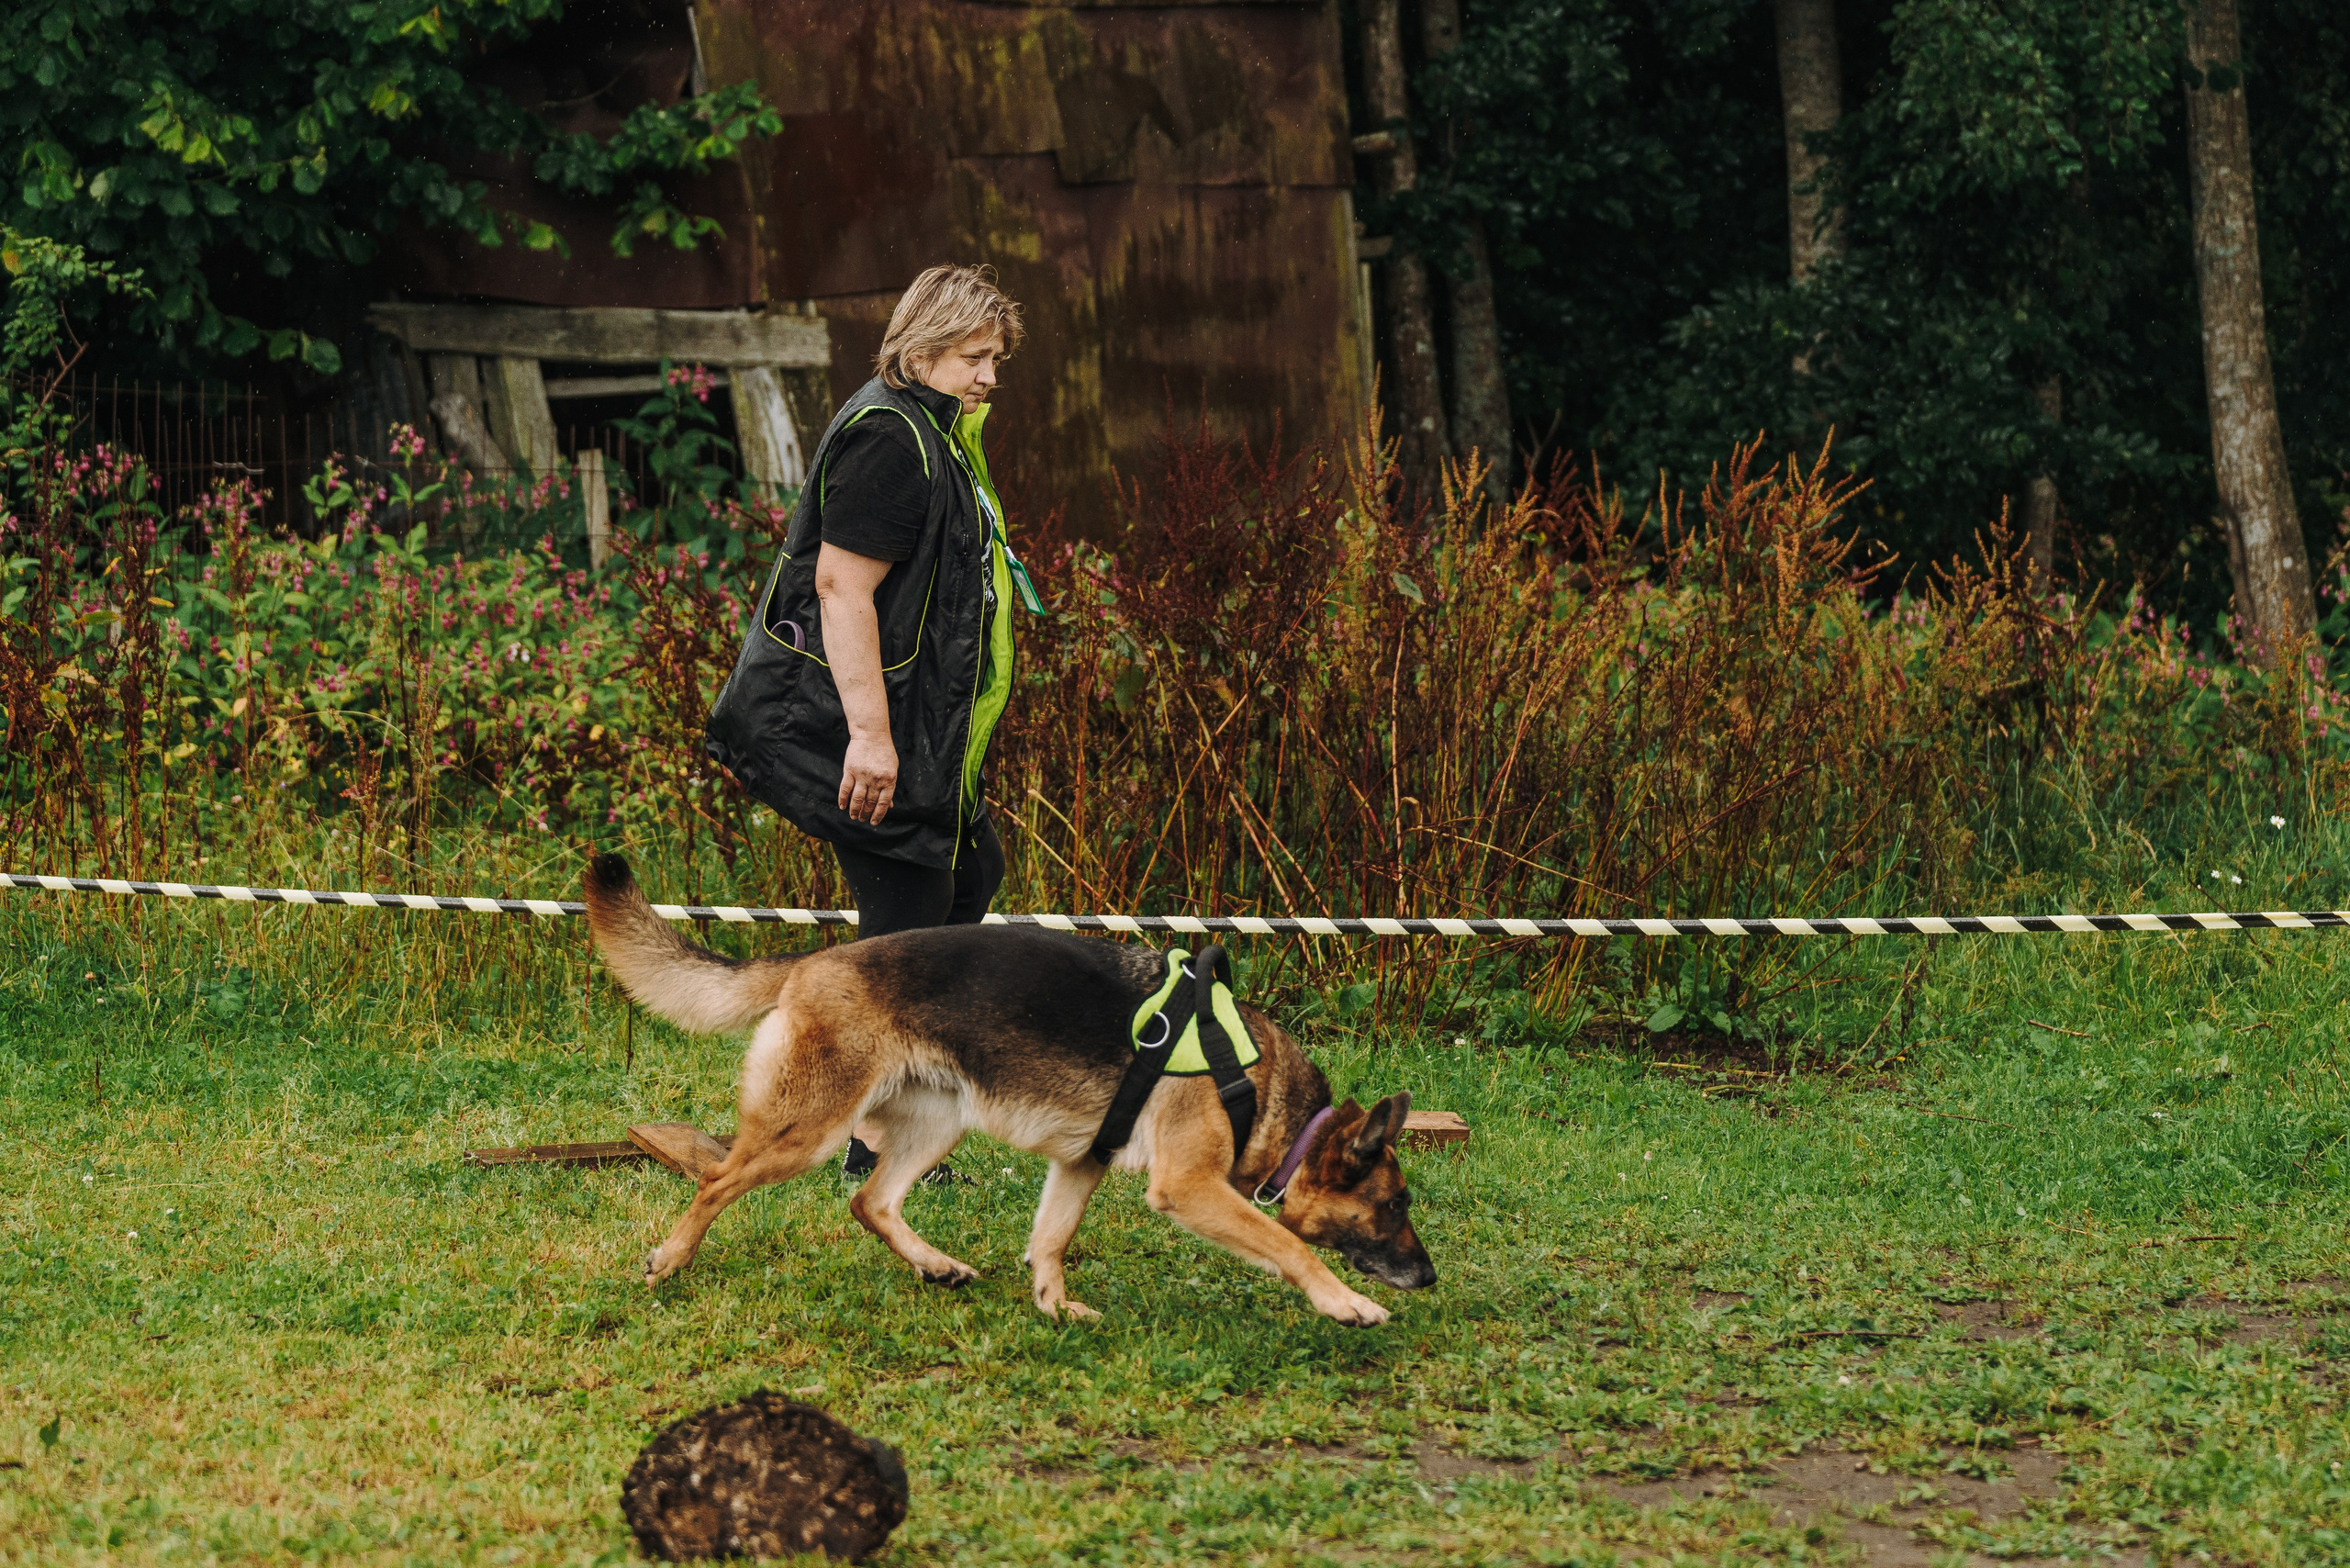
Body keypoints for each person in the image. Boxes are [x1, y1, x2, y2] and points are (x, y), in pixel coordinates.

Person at [704, 263, 1037, 1178]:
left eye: (994, 360)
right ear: (922, 348)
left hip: (929, 738)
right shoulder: (892, 441)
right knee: (906, 936)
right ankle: (868, 1144)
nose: (989, 378)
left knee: (966, 877)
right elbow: (842, 588)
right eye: (975, 358)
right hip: (862, 731)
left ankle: (887, 1129)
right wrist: (872, 738)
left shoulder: (936, 431)